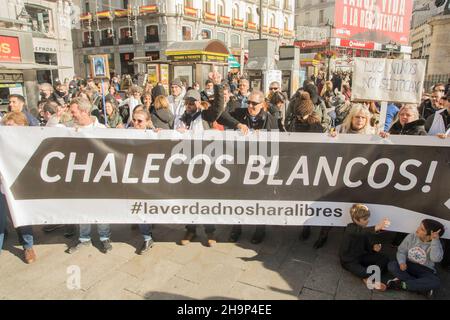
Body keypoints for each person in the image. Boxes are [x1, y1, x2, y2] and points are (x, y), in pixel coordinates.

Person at [178, 72, 224, 247]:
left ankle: (210, 232)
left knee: (206, 199)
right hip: (186, 165)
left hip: (204, 165)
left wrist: (217, 85)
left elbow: (218, 107)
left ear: (198, 103)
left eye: (193, 102)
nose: (189, 105)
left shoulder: (205, 116)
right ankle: (190, 230)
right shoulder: (181, 119)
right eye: (187, 102)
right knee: (188, 199)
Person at [228, 89, 278, 244]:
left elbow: (278, 144)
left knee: (259, 198)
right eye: (248, 102)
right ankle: (236, 227)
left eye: (254, 103)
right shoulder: (239, 113)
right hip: (241, 164)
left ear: (262, 104)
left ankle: (259, 229)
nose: (250, 105)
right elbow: (221, 116)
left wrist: (263, 135)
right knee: (238, 196)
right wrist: (237, 124)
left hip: (260, 166)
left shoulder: (270, 119)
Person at [65, 98, 112, 254]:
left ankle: (104, 237)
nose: (71, 115)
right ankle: (84, 238)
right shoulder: (69, 128)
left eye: (74, 112)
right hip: (79, 175)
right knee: (82, 206)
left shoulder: (102, 129)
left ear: (84, 111)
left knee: (102, 207)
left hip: (100, 176)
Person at [0, 112, 37, 264]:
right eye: (6, 126)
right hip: (2, 187)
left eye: (11, 126)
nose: (7, 129)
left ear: (21, 126)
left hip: (19, 188)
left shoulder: (28, 143)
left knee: (21, 218)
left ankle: (28, 247)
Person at [387, 219, 444, 299]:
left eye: (422, 229)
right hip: (408, 265)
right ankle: (421, 288)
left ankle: (402, 284)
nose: (417, 229)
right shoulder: (411, 237)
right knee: (392, 265)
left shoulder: (436, 244)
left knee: (436, 281)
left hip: (425, 270)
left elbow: (435, 259)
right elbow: (401, 251)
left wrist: (435, 241)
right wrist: (402, 262)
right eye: (419, 227)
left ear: (430, 235)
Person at [339, 204, 391, 292]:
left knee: (385, 258)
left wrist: (373, 248)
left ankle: (368, 278)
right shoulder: (350, 228)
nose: (367, 221)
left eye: (368, 218)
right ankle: (368, 277)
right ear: (355, 219)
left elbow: (367, 244)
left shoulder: (364, 230)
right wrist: (378, 226)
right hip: (349, 261)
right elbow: (361, 232)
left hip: (362, 256)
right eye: (365, 219)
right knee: (364, 272)